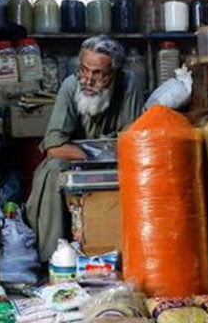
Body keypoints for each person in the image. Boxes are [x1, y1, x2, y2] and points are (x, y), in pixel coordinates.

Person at [25, 35, 144, 262]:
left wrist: (108, 156)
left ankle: (126, 254)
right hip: (75, 164)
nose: (88, 80)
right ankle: (52, 258)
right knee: (53, 169)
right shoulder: (71, 86)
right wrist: (90, 157)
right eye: (84, 70)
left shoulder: (129, 84)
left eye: (98, 74)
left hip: (116, 162)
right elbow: (54, 145)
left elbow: (133, 140)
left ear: (115, 74)